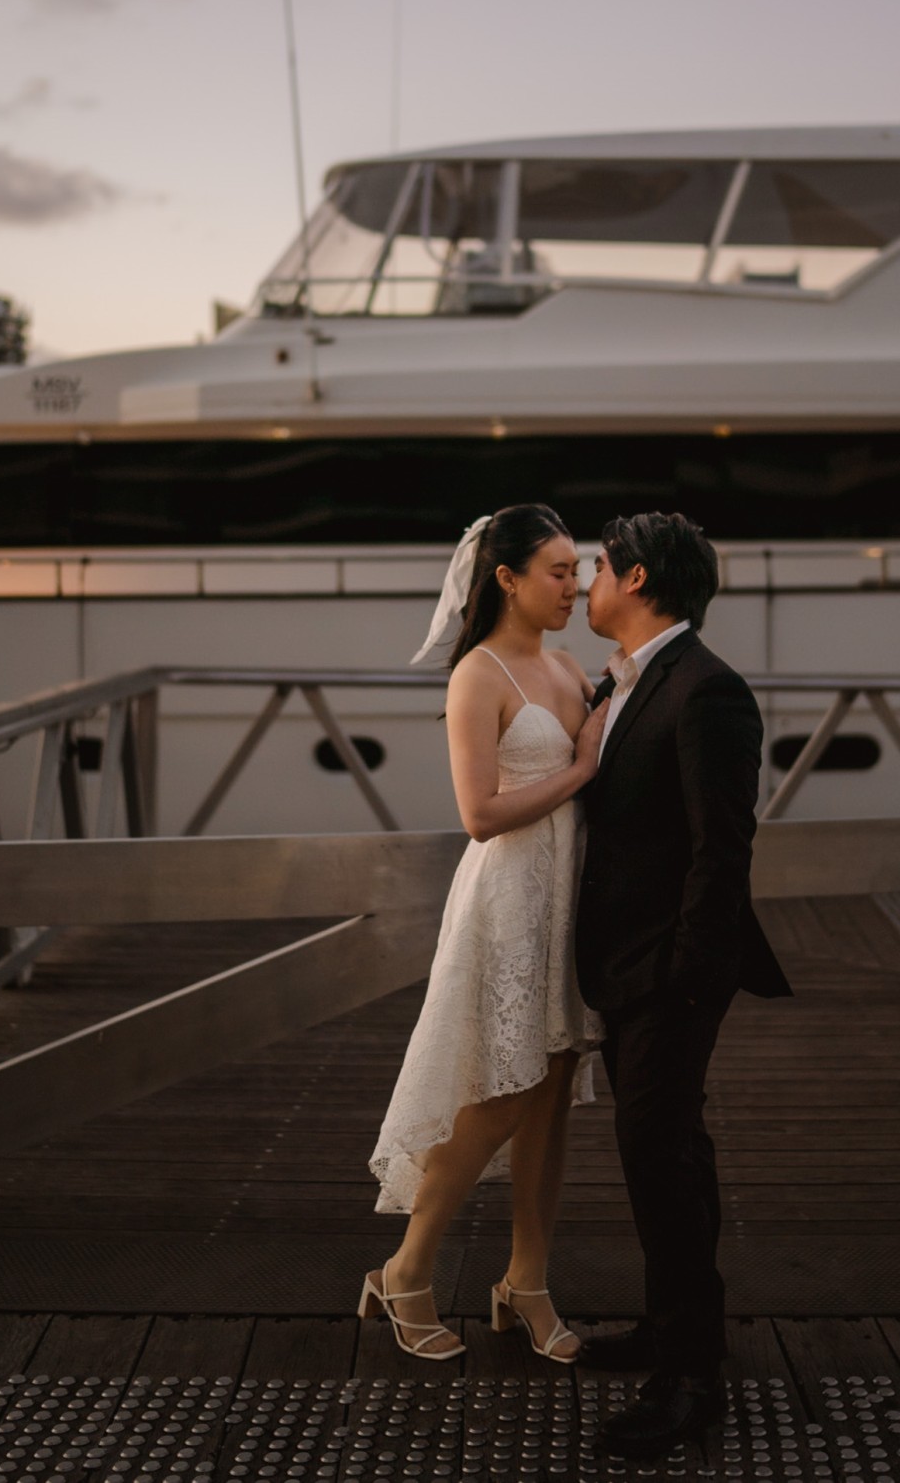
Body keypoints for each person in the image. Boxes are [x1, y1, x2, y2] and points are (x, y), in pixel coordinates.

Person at [364, 505, 608, 1362]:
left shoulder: (569, 666)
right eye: (558, 571)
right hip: (507, 899)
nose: (575, 587)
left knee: (553, 1092)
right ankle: (407, 1269)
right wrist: (582, 767)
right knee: (500, 1091)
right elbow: (479, 814)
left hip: (567, 896)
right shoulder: (478, 674)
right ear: (507, 578)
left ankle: (526, 1282)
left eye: (578, 570)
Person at [575, 511, 792, 1459]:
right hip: (626, 965)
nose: (586, 585)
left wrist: (688, 981)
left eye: (596, 568)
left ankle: (690, 1380)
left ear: (634, 579)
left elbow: (723, 847)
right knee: (669, 1156)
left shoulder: (708, 691)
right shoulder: (628, 680)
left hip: (669, 974)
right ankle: (675, 1332)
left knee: (657, 1158)